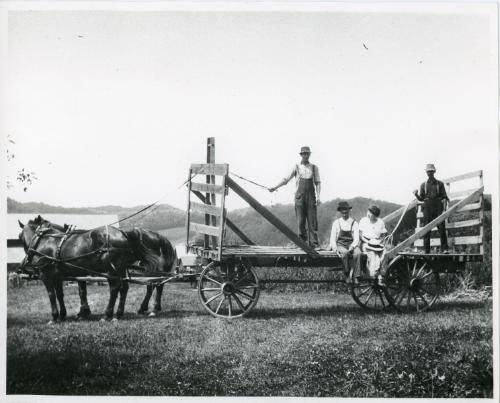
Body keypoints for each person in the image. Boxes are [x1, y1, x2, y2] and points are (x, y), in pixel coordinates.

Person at [269, 146, 321, 249]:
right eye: (303, 154)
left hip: (311, 197)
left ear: (309, 154)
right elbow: (286, 179)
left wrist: (318, 197)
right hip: (299, 197)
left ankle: (314, 244)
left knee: (312, 220)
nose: (305, 155)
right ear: (301, 155)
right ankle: (302, 243)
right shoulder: (296, 167)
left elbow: (318, 183)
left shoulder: (314, 167)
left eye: (307, 153)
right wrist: (275, 187)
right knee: (300, 221)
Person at [413, 163, 449, 253]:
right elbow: (421, 198)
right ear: (426, 173)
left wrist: (444, 210)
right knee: (426, 229)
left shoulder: (440, 184)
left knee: (441, 228)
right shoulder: (423, 185)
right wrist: (416, 194)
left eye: (431, 171)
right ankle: (426, 250)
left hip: (438, 206)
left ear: (434, 172)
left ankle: (444, 249)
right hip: (427, 207)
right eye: (428, 171)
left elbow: (444, 197)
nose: (430, 173)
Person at [329, 201, 361, 283]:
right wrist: (335, 248)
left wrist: (352, 247)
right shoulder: (337, 223)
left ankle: (356, 276)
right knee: (345, 253)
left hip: (351, 244)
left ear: (349, 211)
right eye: (343, 213)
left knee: (358, 253)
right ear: (340, 212)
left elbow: (356, 238)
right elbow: (332, 238)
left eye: (346, 212)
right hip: (341, 245)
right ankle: (346, 274)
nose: (344, 214)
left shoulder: (354, 222)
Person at [359, 204, 387, 281]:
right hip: (366, 242)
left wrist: (380, 241)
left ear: (375, 216)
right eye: (368, 212)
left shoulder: (380, 222)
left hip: (377, 243)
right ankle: (373, 274)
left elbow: (383, 234)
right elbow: (360, 235)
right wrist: (368, 241)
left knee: (384, 253)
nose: (369, 214)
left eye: (371, 214)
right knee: (372, 254)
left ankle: (381, 273)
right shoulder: (363, 220)